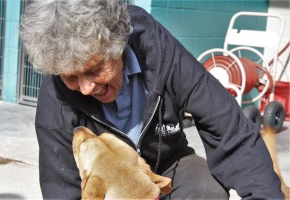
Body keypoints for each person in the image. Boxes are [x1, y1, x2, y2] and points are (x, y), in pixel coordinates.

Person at [20, 0, 283, 199]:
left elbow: (228, 128)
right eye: (71, 78)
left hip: (168, 163)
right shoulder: (55, 99)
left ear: (117, 44)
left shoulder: (155, 48)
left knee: (205, 190)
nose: (86, 88)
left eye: (94, 69)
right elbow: (62, 190)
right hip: (112, 185)